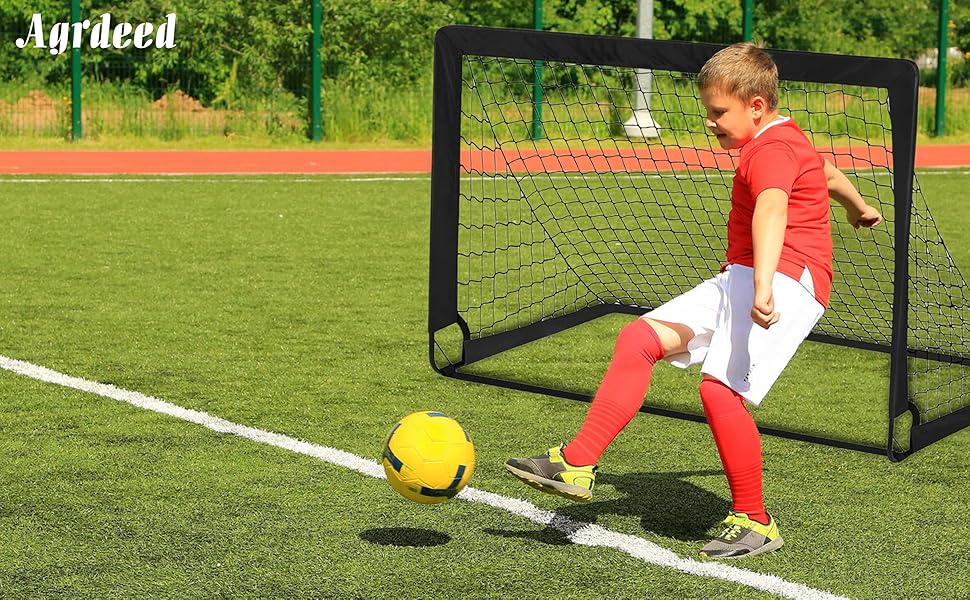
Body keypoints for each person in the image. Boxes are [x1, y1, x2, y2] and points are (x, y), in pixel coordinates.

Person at [504, 42, 883, 560]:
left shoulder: (771, 148)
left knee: (719, 392)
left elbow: (771, 211)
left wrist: (767, 286)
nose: (709, 122)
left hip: (787, 279)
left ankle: (755, 520)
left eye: (717, 111)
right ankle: (577, 462)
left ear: (755, 104)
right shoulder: (784, 138)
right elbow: (827, 173)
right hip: (746, 274)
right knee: (639, 338)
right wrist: (858, 207)